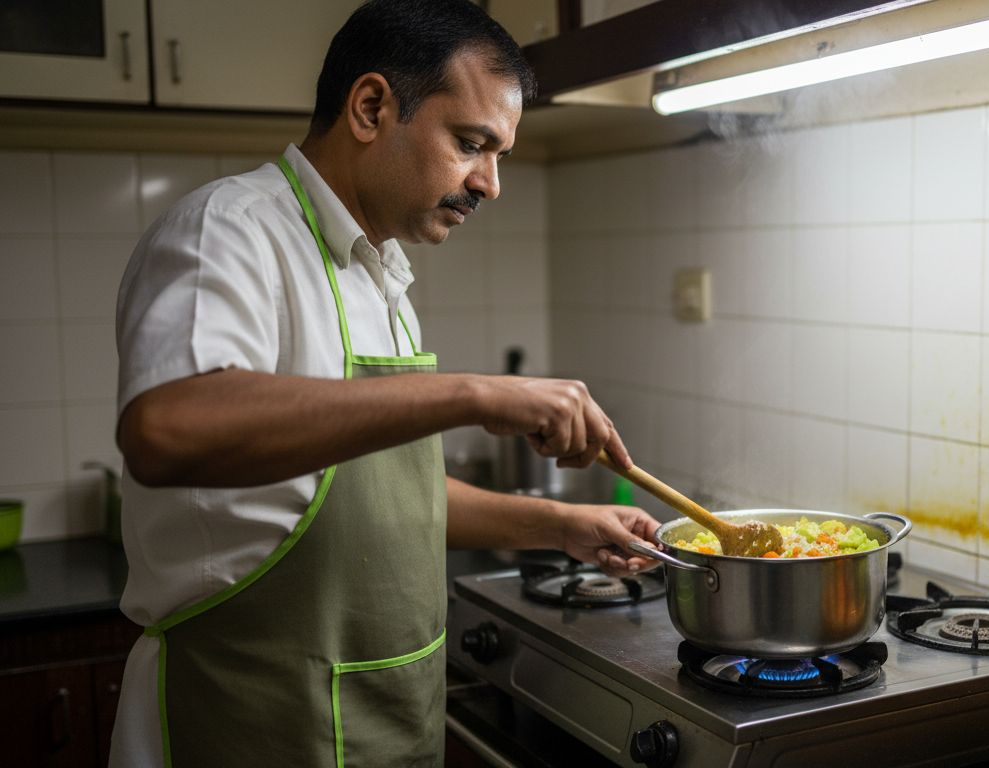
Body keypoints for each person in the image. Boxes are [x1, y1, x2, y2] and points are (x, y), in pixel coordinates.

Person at [107, 1, 661, 765]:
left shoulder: (377, 277)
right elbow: (166, 428)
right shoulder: (231, 229)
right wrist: (476, 394)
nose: (490, 183)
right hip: (252, 718)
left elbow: (383, 499)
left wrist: (559, 527)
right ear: (371, 108)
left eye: (499, 153)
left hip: (386, 715)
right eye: (472, 143)